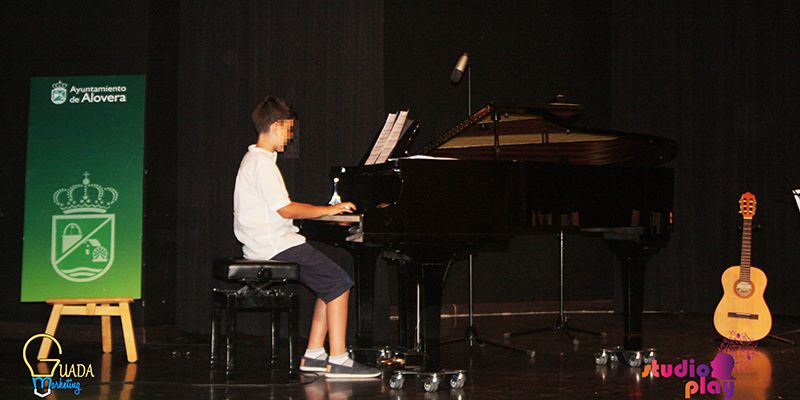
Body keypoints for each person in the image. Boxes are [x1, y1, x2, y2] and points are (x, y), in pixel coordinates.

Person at [233, 96, 380, 379]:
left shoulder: (254, 159)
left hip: (266, 242)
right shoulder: (262, 163)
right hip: (274, 245)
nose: (290, 136)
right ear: (276, 126)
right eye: (288, 129)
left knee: (330, 281)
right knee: (339, 283)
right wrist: (328, 210)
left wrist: (328, 214)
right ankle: (338, 359)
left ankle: (314, 354)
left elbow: (279, 209)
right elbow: (286, 209)